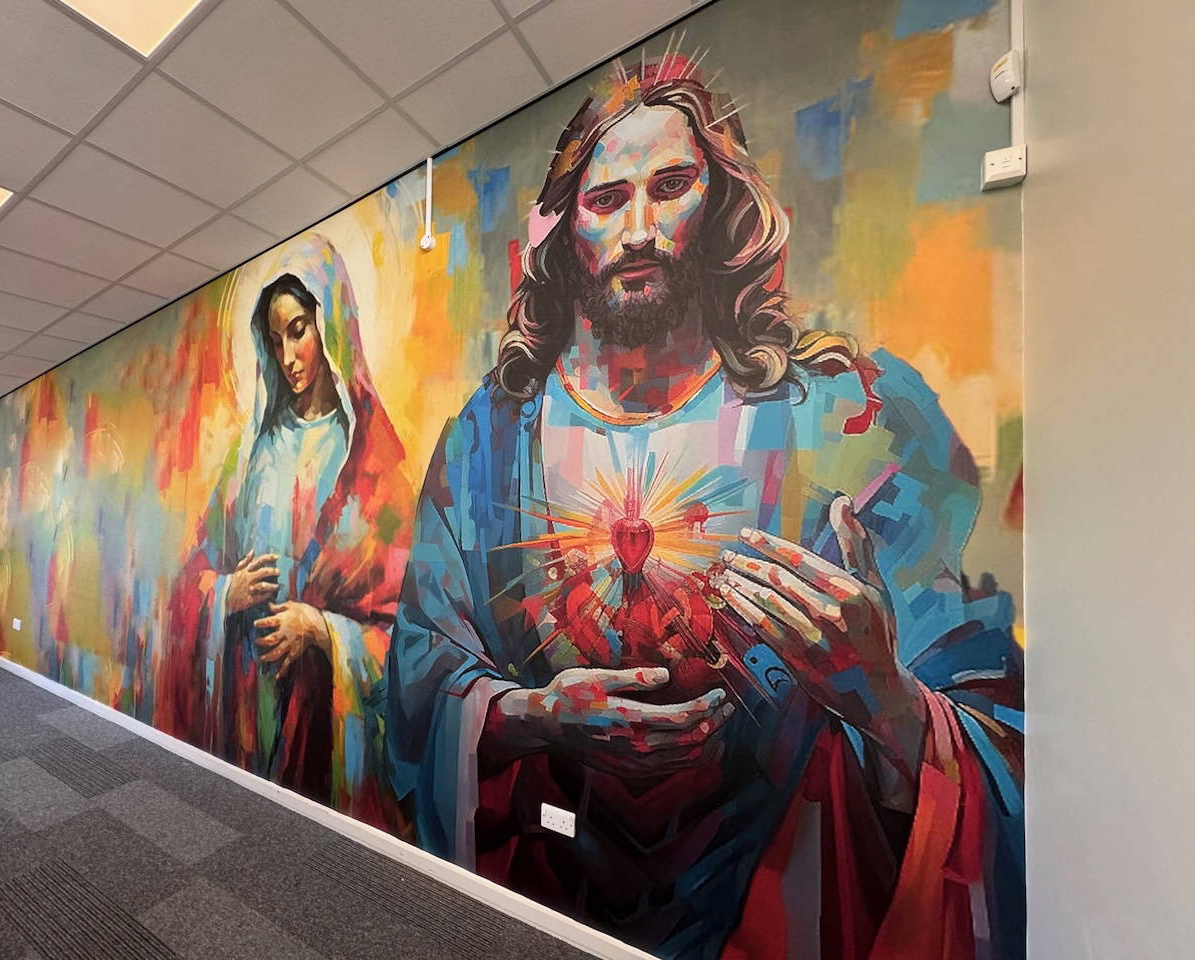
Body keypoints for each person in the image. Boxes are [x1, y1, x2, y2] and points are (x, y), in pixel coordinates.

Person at [386, 55, 1024, 959]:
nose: (640, 231)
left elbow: (992, 718)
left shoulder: (852, 418)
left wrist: (883, 694)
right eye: (607, 200)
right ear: (567, 227)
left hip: (782, 896)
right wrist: (534, 715)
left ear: (720, 201)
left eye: (671, 186)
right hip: (541, 878)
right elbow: (419, 670)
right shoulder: (488, 438)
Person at [161, 234, 412, 826]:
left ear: (332, 327)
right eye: (274, 340)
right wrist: (226, 592)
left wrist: (322, 630)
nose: (288, 356)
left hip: (322, 713)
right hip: (246, 696)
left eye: (298, 331)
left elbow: (405, 632)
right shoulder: (252, 454)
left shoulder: (374, 465)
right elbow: (191, 574)